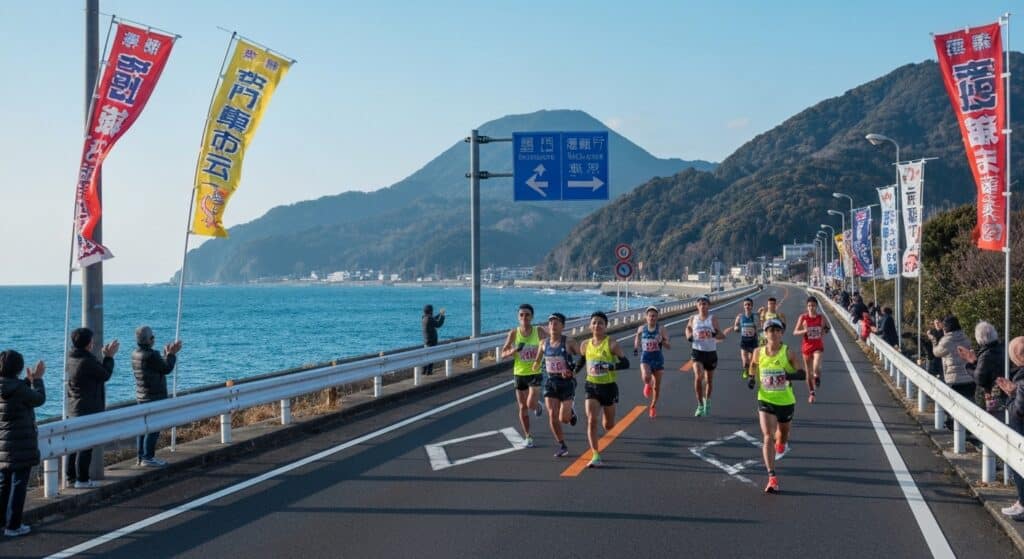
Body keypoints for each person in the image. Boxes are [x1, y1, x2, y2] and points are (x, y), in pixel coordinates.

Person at [747, 319, 806, 493]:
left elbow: (802, 374)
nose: (773, 333)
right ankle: (772, 477)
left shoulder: (788, 352)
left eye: (776, 330)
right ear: (765, 334)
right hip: (765, 398)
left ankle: (782, 443)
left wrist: (788, 376)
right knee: (767, 436)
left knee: (783, 435)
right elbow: (753, 365)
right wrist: (751, 378)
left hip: (785, 401)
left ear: (781, 333)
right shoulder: (758, 352)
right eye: (770, 330)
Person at [574, 311, 628, 467]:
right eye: (594, 322)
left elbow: (626, 363)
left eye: (600, 323)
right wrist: (573, 372)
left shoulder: (612, 344)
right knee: (592, 420)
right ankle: (595, 454)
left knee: (608, 425)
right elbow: (582, 360)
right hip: (591, 386)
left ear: (605, 326)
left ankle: (608, 419)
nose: (597, 325)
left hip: (609, 387)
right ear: (590, 326)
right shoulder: (585, 344)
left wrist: (610, 366)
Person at [0, 351, 45, 537]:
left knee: (3, 484)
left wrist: (28, 381)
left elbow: (17, 394)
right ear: (18, 368)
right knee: (18, 484)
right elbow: (38, 399)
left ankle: (3, 523)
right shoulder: (19, 389)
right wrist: (38, 380)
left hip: (3, 445)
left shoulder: (9, 387)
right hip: (21, 444)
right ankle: (13, 526)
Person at [66, 327, 118, 487]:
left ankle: (70, 477)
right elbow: (105, 375)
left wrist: (103, 357)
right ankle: (82, 479)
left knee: (73, 445)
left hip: (74, 407)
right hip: (87, 408)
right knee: (86, 445)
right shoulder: (86, 361)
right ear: (88, 343)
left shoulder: (72, 358)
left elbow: (95, 372)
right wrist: (109, 357)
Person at [132, 326, 181, 467]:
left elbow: (157, 367)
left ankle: (141, 457)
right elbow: (166, 368)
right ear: (148, 340)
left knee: (142, 428)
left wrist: (166, 355)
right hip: (154, 396)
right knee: (153, 427)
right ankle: (148, 457)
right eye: (152, 337)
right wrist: (171, 354)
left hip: (141, 395)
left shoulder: (135, 354)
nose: (154, 339)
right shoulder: (152, 355)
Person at [533, 312, 580, 457]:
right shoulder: (543, 343)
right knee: (552, 415)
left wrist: (572, 370)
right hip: (551, 382)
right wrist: (534, 368)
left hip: (567, 383)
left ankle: (571, 413)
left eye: (556, 322)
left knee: (563, 419)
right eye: (551, 322)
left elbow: (584, 357)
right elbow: (537, 360)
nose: (553, 325)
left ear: (562, 326)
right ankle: (562, 445)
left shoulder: (569, 342)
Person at [501, 304, 546, 448]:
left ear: (532, 317)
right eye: (521, 315)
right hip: (519, 373)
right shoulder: (514, 333)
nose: (524, 317)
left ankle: (537, 406)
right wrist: (513, 350)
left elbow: (548, 346)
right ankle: (528, 436)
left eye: (527, 314)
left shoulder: (538, 331)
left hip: (535, 372)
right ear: (518, 317)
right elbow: (503, 354)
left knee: (530, 403)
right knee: (522, 407)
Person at [994, 337, 1024, 518]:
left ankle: (1022, 504)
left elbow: (1018, 411)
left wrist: (1011, 395)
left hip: (1020, 431)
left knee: (1019, 463)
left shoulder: (1021, 378)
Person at [686, 296, 726, 416]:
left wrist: (713, 334)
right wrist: (689, 335)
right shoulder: (693, 318)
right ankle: (699, 405)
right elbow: (688, 328)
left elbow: (721, 336)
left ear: (708, 305)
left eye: (704, 304)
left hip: (710, 352)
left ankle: (707, 401)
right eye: (700, 304)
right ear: (697, 306)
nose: (702, 306)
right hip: (697, 352)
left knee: (709, 380)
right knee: (698, 376)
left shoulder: (712, 319)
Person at [932, 316, 975, 429]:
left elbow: (936, 353)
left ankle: (955, 426)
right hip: (969, 377)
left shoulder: (946, 340)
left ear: (946, 328)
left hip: (954, 379)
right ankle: (969, 428)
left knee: (953, 405)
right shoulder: (966, 337)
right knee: (969, 405)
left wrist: (934, 340)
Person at [958, 321, 1005, 415]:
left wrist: (969, 364)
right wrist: (975, 361)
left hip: (990, 395)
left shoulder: (986, 354)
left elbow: (980, 378)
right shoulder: (1001, 348)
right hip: (1001, 393)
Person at [633, 306, 670, 418]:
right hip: (646, 357)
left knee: (656, 387)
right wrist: (636, 347)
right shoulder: (641, 328)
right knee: (646, 376)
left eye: (654, 316)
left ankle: (653, 406)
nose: (652, 318)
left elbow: (668, 346)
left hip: (658, 359)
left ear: (657, 317)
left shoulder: (661, 329)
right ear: (646, 317)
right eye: (650, 316)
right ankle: (647, 383)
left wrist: (661, 340)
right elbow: (637, 337)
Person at [793, 296, 829, 403]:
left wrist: (822, 332)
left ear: (816, 306)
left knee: (816, 366)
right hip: (806, 348)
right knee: (808, 373)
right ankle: (812, 393)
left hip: (818, 346)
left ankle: (817, 376)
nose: (811, 308)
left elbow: (828, 327)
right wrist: (804, 331)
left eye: (813, 305)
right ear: (807, 307)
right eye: (809, 306)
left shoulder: (821, 317)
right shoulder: (803, 317)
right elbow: (795, 332)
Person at [729, 298, 760, 386]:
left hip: (753, 342)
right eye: (745, 305)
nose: (747, 306)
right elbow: (736, 326)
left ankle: (751, 376)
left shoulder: (754, 317)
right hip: (744, 342)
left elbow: (758, 328)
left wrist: (757, 332)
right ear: (743, 306)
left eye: (749, 304)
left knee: (751, 360)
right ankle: (746, 370)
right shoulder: (740, 317)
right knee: (745, 362)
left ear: (752, 306)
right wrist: (736, 328)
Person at [421, 305, 445, 375]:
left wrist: (439, 314)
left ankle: (423, 371)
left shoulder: (424, 318)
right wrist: (442, 315)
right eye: (432, 310)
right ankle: (429, 372)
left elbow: (433, 318)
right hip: (431, 342)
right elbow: (438, 324)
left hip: (426, 341)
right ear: (430, 311)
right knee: (431, 357)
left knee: (426, 357)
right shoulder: (429, 319)